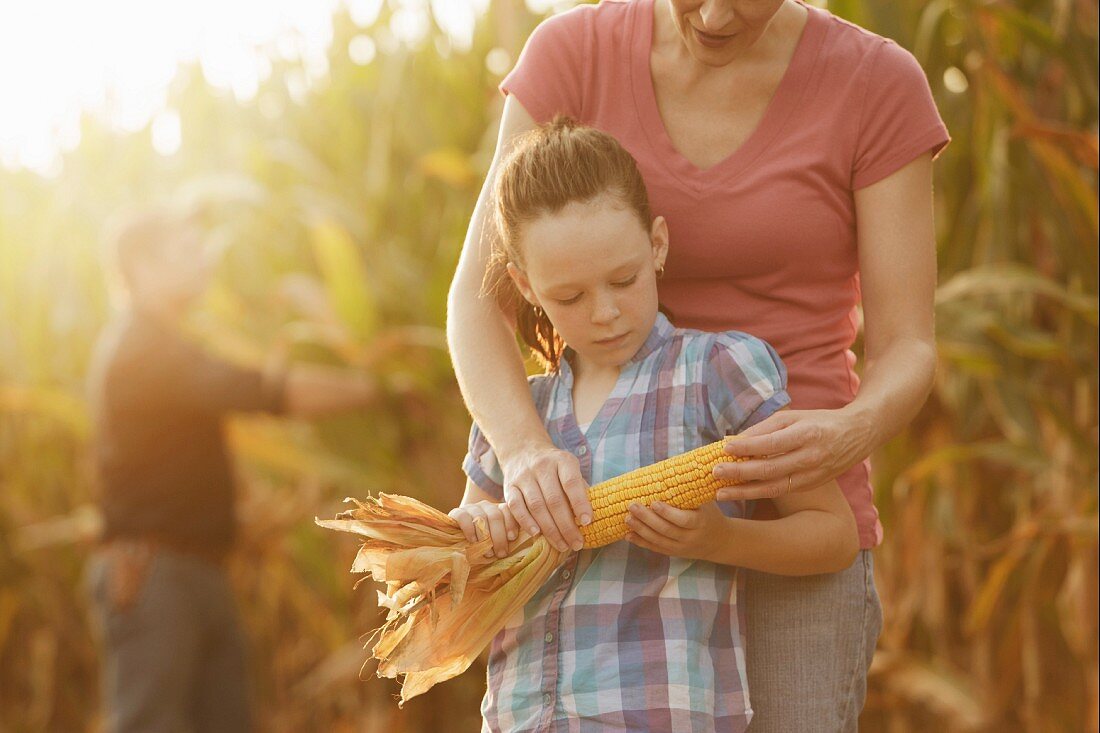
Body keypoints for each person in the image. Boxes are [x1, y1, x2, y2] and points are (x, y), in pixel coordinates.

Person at [447, 0, 950, 728]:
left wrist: (852, 430)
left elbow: (909, 342)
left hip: (790, 514)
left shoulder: (876, 83)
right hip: (608, 503)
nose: (713, 16)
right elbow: (479, 294)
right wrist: (524, 452)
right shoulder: (572, 52)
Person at [448, 118, 859, 732]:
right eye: (569, 297)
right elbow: (463, 590)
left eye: (624, 279)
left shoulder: (714, 373)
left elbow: (834, 535)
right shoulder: (513, 418)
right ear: (524, 286)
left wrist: (721, 542)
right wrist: (476, 535)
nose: (606, 313)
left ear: (658, 245)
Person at [83, 203, 379, 733]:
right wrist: (377, 391)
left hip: (194, 571)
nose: (203, 260)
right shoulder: (141, 348)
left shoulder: (162, 343)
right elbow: (259, 391)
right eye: (185, 249)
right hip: (157, 576)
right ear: (144, 266)